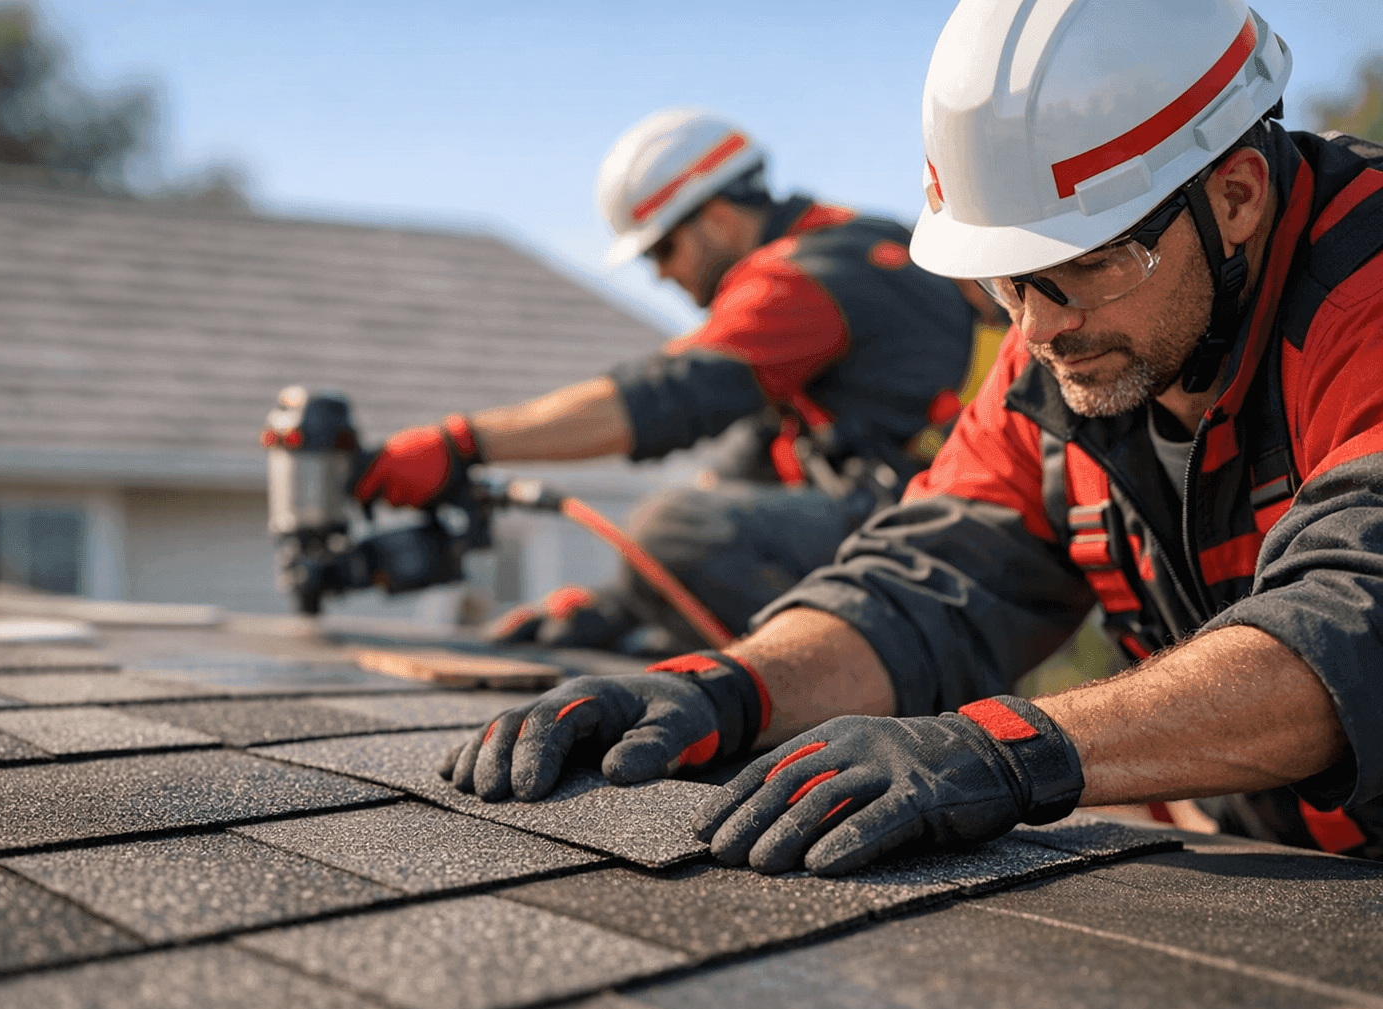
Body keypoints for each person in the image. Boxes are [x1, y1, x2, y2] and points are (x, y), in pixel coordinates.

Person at [439, 0, 1383, 872]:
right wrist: (730, 689)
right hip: (1289, 868)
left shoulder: (1364, 294)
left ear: (1237, 197)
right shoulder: (1059, 361)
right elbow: (924, 584)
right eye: (1008, 281)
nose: (1038, 330)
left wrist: (1007, 751)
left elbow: (1356, 629)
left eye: (1085, 267)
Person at [355, 108, 994, 655]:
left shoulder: (799, 276)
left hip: (928, 543)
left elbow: (669, 396)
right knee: (696, 513)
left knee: (673, 525)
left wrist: (462, 444)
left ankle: (821, 683)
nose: (661, 277)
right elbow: (752, 472)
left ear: (716, 218)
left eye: (662, 250)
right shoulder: (855, 244)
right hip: (937, 535)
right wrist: (617, 606)